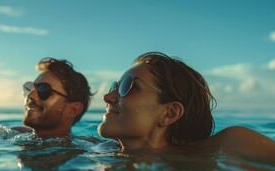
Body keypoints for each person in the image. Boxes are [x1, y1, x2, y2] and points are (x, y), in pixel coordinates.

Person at [97, 52, 275, 161]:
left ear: (170, 112)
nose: (107, 97)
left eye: (126, 86)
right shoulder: (96, 150)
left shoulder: (228, 145)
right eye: (115, 86)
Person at [15, 58, 93, 138]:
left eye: (43, 89)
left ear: (73, 110)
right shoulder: (14, 133)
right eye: (31, 88)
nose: (30, 95)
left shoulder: (87, 148)